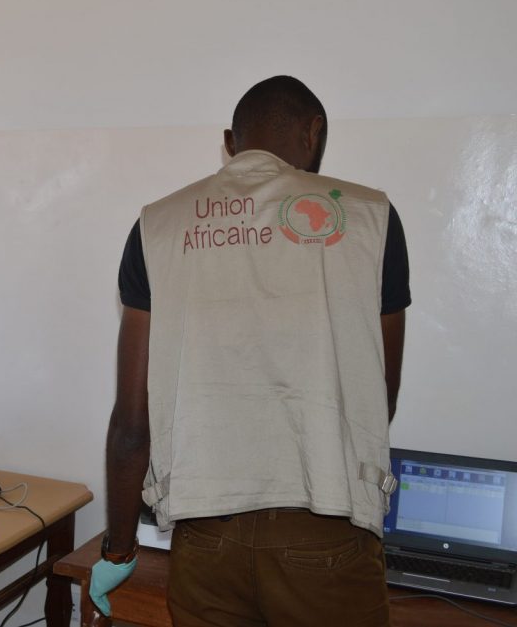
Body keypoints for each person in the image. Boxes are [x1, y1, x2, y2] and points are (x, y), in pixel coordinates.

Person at [91, 76, 410, 626]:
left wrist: (118, 549)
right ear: (314, 132)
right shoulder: (370, 216)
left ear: (230, 142)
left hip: (205, 539)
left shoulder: (157, 226)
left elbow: (131, 424)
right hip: (326, 529)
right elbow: (379, 396)